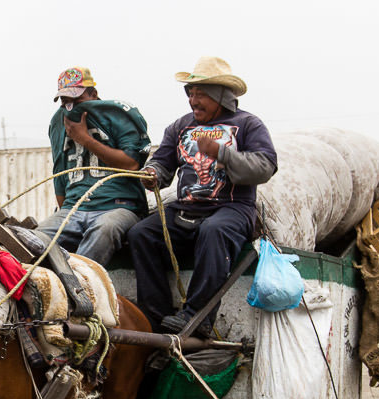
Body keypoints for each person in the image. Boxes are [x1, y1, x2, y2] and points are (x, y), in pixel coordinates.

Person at [128, 56, 277, 336]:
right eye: (191, 93)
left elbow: (265, 166)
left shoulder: (247, 124)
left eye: (200, 94)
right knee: (141, 234)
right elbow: (162, 162)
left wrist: (222, 153)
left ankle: (197, 317)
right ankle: (155, 316)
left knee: (214, 230)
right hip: (186, 208)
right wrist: (153, 174)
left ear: (221, 96)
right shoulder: (179, 126)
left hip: (232, 207)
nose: (193, 100)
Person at [38, 66, 151, 266]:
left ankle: (80, 288)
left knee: (104, 229)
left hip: (117, 206)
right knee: (36, 238)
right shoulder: (59, 121)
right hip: (74, 209)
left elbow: (132, 163)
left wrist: (84, 138)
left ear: (94, 94)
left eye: (77, 100)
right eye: (66, 102)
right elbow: (60, 174)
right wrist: (66, 209)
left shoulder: (117, 114)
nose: (72, 107)